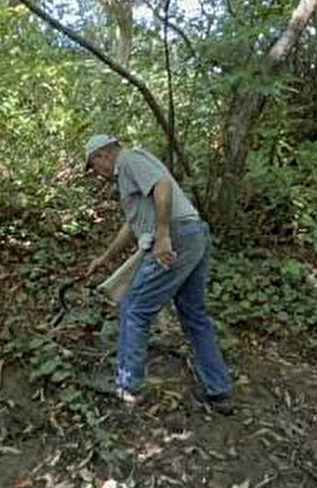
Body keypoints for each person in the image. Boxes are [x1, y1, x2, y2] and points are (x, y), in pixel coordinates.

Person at [82, 134, 233, 411]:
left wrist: (163, 235)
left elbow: (162, 184)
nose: (97, 173)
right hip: (193, 234)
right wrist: (106, 258)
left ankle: (128, 386)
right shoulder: (127, 174)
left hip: (177, 236)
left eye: (94, 167)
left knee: (135, 308)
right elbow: (133, 224)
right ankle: (218, 389)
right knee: (194, 314)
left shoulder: (129, 160)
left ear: (101, 156)